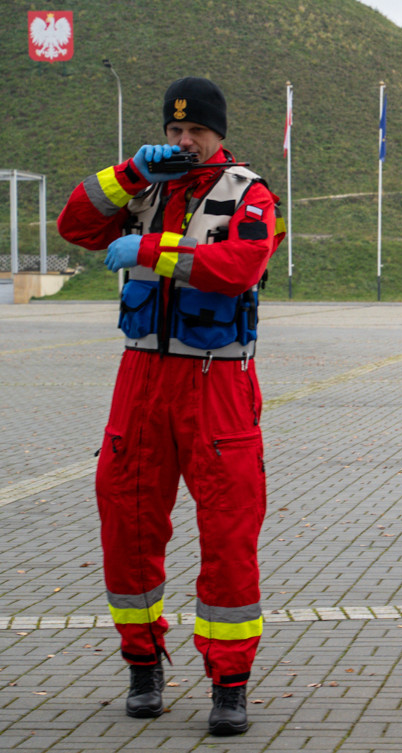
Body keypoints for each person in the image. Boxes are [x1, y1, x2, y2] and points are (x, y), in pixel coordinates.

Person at [57, 77, 283, 735]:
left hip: (216, 385)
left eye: (196, 133)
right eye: (174, 132)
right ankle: (141, 664)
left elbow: (240, 263)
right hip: (140, 378)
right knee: (124, 517)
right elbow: (76, 223)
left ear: (219, 134)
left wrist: (148, 250)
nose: (184, 143)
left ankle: (230, 681)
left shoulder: (250, 192)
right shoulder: (144, 186)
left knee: (229, 530)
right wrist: (128, 173)